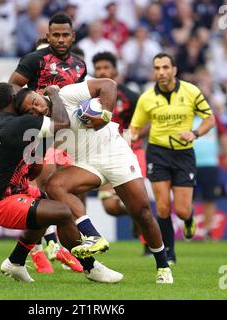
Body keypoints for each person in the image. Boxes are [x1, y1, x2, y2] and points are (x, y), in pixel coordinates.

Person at [16, 78, 173, 284]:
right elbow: (39, 154)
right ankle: (92, 235)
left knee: (142, 214)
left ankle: (163, 266)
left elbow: (109, 85)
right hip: (86, 164)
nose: (38, 109)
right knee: (55, 185)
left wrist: (105, 115)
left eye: (36, 101)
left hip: (116, 154)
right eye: (31, 111)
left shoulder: (66, 94)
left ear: (38, 93)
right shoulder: (40, 125)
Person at [0, 82, 122, 283]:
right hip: (4, 203)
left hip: (14, 193)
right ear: (10, 99)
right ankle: (91, 267)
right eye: (18, 95)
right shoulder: (18, 124)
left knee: (47, 205)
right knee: (62, 213)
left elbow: (33, 172)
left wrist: (39, 146)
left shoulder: (1, 124)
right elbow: (62, 124)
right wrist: (55, 94)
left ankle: (15, 262)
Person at [9, 12, 87, 273]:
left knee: (67, 189)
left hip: (68, 133)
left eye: (66, 35)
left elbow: (81, 98)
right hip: (39, 133)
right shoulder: (34, 60)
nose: (61, 39)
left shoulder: (80, 66)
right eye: (56, 34)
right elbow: (13, 88)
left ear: (72, 36)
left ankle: (55, 246)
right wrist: (32, 108)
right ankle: (45, 246)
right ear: (48, 35)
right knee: (40, 188)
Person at [130, 52, 215, 265]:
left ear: (174, 69)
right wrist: (128, 137)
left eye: (165, 67)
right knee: (162, 207)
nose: (161, 72)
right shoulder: (146, 98)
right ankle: (169, 252)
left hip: (184, 154)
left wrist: (194, 133)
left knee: (183, 209)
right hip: (158, 153)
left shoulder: (191, 91)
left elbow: (210, 119)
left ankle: (188, 220)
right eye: (157, 68)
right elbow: (136, 127)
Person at [91, 51, 151, 254]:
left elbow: (148, 121)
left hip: (131, 151)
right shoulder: (89, 97)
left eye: (106, 67)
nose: (102, 71)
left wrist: (132, 135)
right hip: (102, 154)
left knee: (138, 198)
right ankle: (136, 216)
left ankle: (149, 244)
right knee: (110, 206)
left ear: (115, 70)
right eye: (98, 68)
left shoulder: (130, 96)